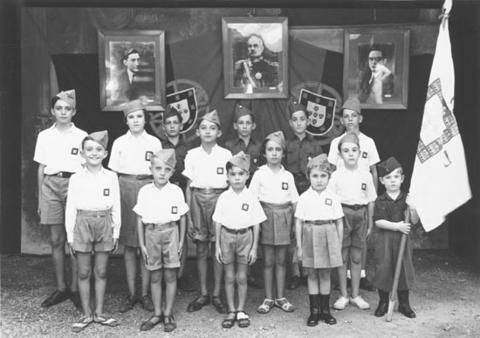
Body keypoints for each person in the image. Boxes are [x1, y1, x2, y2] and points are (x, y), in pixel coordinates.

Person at [34, 89, 87, 310]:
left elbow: (87, 168)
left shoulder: (82, 135)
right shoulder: (44, 136)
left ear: (74, 111)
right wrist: (40, 198)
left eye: (67, 109)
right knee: (56, 240)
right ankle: (61, 287)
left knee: (74, 239)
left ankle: (75, 288)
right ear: (52, 111)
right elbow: (41, 168)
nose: (63, 112)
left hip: (74, 185)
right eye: (59, 108)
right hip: (50, 186)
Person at [108, 99, 162, 313]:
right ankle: (132, 293)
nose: (136, 120)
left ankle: (146, 293)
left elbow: (160, 172)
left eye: (139, 116)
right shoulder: (120, 142)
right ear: (126, 121)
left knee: (146, 243)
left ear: (145, 118)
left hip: (148, 187)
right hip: (126, 188)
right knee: (130, 245)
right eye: (131, 117)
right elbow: (113, 174)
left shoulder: (155, 143)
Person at [65, 131, 121, 333]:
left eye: (98, 149)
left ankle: (99, 312)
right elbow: (70, 207)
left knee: (101, 270)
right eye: (89, 149)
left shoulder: (111, 177)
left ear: (105, 153)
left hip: (104, 222)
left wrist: (116, 232)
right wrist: (70, 236)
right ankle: (86, 313)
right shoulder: (76, 178)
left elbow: (116, 206)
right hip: (82, 223)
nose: (94, 153)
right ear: (82, 153)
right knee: (83, 271)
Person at [328, 96, 380, 291]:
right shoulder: (336, 143)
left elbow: (374, 171)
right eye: (346, 116)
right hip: (343, 198)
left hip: (362, 196)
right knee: (342, 241)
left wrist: (370, 199)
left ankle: (361, 275)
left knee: (361, 241)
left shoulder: (369, 142)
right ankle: (340, 278)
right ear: (341, 120)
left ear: (360, 118)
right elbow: (331, 171)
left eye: (353, 116)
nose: (350, 120)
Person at [183, 109, 232, 314]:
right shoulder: (192, 155)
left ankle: (217, 294)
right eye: (203, 128)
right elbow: (188, 186)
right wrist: (188, 213)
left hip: (220, 198)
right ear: (198, 132)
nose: (208, 131)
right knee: (202, 248)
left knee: (218, 248)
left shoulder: (226, 154)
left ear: (219, 133)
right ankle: (203, 292)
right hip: (197, 198)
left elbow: (231, 186)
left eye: (212, 128)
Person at [134, 149, 188, 332]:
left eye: (167, 169)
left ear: (172, 172)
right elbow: (139, 218)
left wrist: (180, 242)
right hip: (151, 234)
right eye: (158, 168)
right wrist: (142, 244)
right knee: (155, 276)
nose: (162, 173)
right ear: (151, 169)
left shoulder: (176, 191)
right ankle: (157, 313)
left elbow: (182, 217)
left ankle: (168, 313)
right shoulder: (144, 191)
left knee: (170, 275)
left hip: (171, 232)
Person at [213, 151, 266, 329]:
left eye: (241, 174)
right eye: (233, 174)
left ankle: (241, 309)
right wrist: (217, 247)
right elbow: (218, 222)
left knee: (242, 277)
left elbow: (257, 224)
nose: (237, 178)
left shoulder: (251, 197)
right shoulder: (223, 197)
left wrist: (253, 248)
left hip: (245, 237)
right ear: (227, 176)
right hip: (227, 236)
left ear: (247, 175)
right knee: (229, 276)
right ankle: (231, 310)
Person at [249, 131, 298, 314]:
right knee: (268, 260)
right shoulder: (259, 174)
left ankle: (281, 297)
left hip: (284, 217)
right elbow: (252, 200)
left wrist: (293, 223)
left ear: (283, 153)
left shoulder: (288, 176)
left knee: (281, 260)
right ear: (264, 153)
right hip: (266, 217)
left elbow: (294, 201)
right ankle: (268, 297)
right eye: (270, 149)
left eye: (278, 149)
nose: (274, 153)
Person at [328, 132, 377, 311]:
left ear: (359, 152)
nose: (350, 154)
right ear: (340, 154)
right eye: (346, 150)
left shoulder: (365, 175)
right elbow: (331, 201)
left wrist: (370, 222)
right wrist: (334, 222)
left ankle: (355, 294)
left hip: (360, 215)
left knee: (356, 257)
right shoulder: (335, 176)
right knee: (342, 256)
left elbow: (371, 199)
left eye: (354, 150)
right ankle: (343, 294)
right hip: (342, 216)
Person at [295, 154, 343, 326]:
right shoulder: (304, 198)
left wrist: (338, 243)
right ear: (309, 177)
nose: (319, 180)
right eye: (315, 176)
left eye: (323, 176)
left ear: (329, 177)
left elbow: (339, 222)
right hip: (310, 233)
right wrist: (299, 247)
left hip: (328, 234)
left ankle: (325, 310)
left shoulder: (334, 197)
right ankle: (314, 311)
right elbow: (299, 222)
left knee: (325, 273)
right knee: (312, 274)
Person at [372, 157, 419, 318]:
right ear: (382, 180)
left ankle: (404, 303)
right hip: (384, 240)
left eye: (396, 177)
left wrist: (413, 208)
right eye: (388, 178)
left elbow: (414, 220)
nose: (392, 181)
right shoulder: (380, 200)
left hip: (403, 241)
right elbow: (378, 221)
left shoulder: (407, 199)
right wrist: (397, 226)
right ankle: (383, 301)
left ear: (402, 179)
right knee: (384, 269)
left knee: (404, 269)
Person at [285, 100, 323, 290]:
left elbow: (321, 170)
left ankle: (308, 269)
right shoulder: (285, 143)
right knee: (294, 230)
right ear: (290, 123)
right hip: (292, 187)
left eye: (302, 119)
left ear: (308, 121)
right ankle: (295, 272)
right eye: (295, 120)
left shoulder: (314, 145)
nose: (299, 123)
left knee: (308, 228)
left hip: (308, 188)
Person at [225, 104, 262, 288]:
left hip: (253, 192)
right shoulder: (229, 146)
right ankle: (237, 273)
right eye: (241, 123)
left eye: (248, 123)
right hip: (235, 191)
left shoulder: (259, 146)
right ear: (235, 126)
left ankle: (250, 272)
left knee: (251, 231)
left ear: (253, 126)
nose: (245, 126)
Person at [160, 105, 192, 291]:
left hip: (181, 190)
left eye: (175, 123)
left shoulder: (188, 148)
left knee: (181, 233)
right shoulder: (159, 146)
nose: (172, 126)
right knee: (164, 231)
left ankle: (180, 274)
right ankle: (165, 273)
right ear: (164, 127)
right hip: (164, 191)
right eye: (168, 123)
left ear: (181, 125)